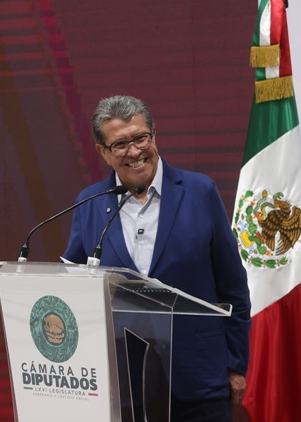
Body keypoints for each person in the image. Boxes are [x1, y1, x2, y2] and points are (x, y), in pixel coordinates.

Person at [61, 95, 251, 421]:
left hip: (200, 380)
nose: (135, 151)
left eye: (140, 138)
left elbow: (233, 288)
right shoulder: (90, 203)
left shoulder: (199, 191)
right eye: (120, 144)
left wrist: (235, 365)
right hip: (123, 385)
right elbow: (74, 291)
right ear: (102, 152)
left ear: (154, 134)